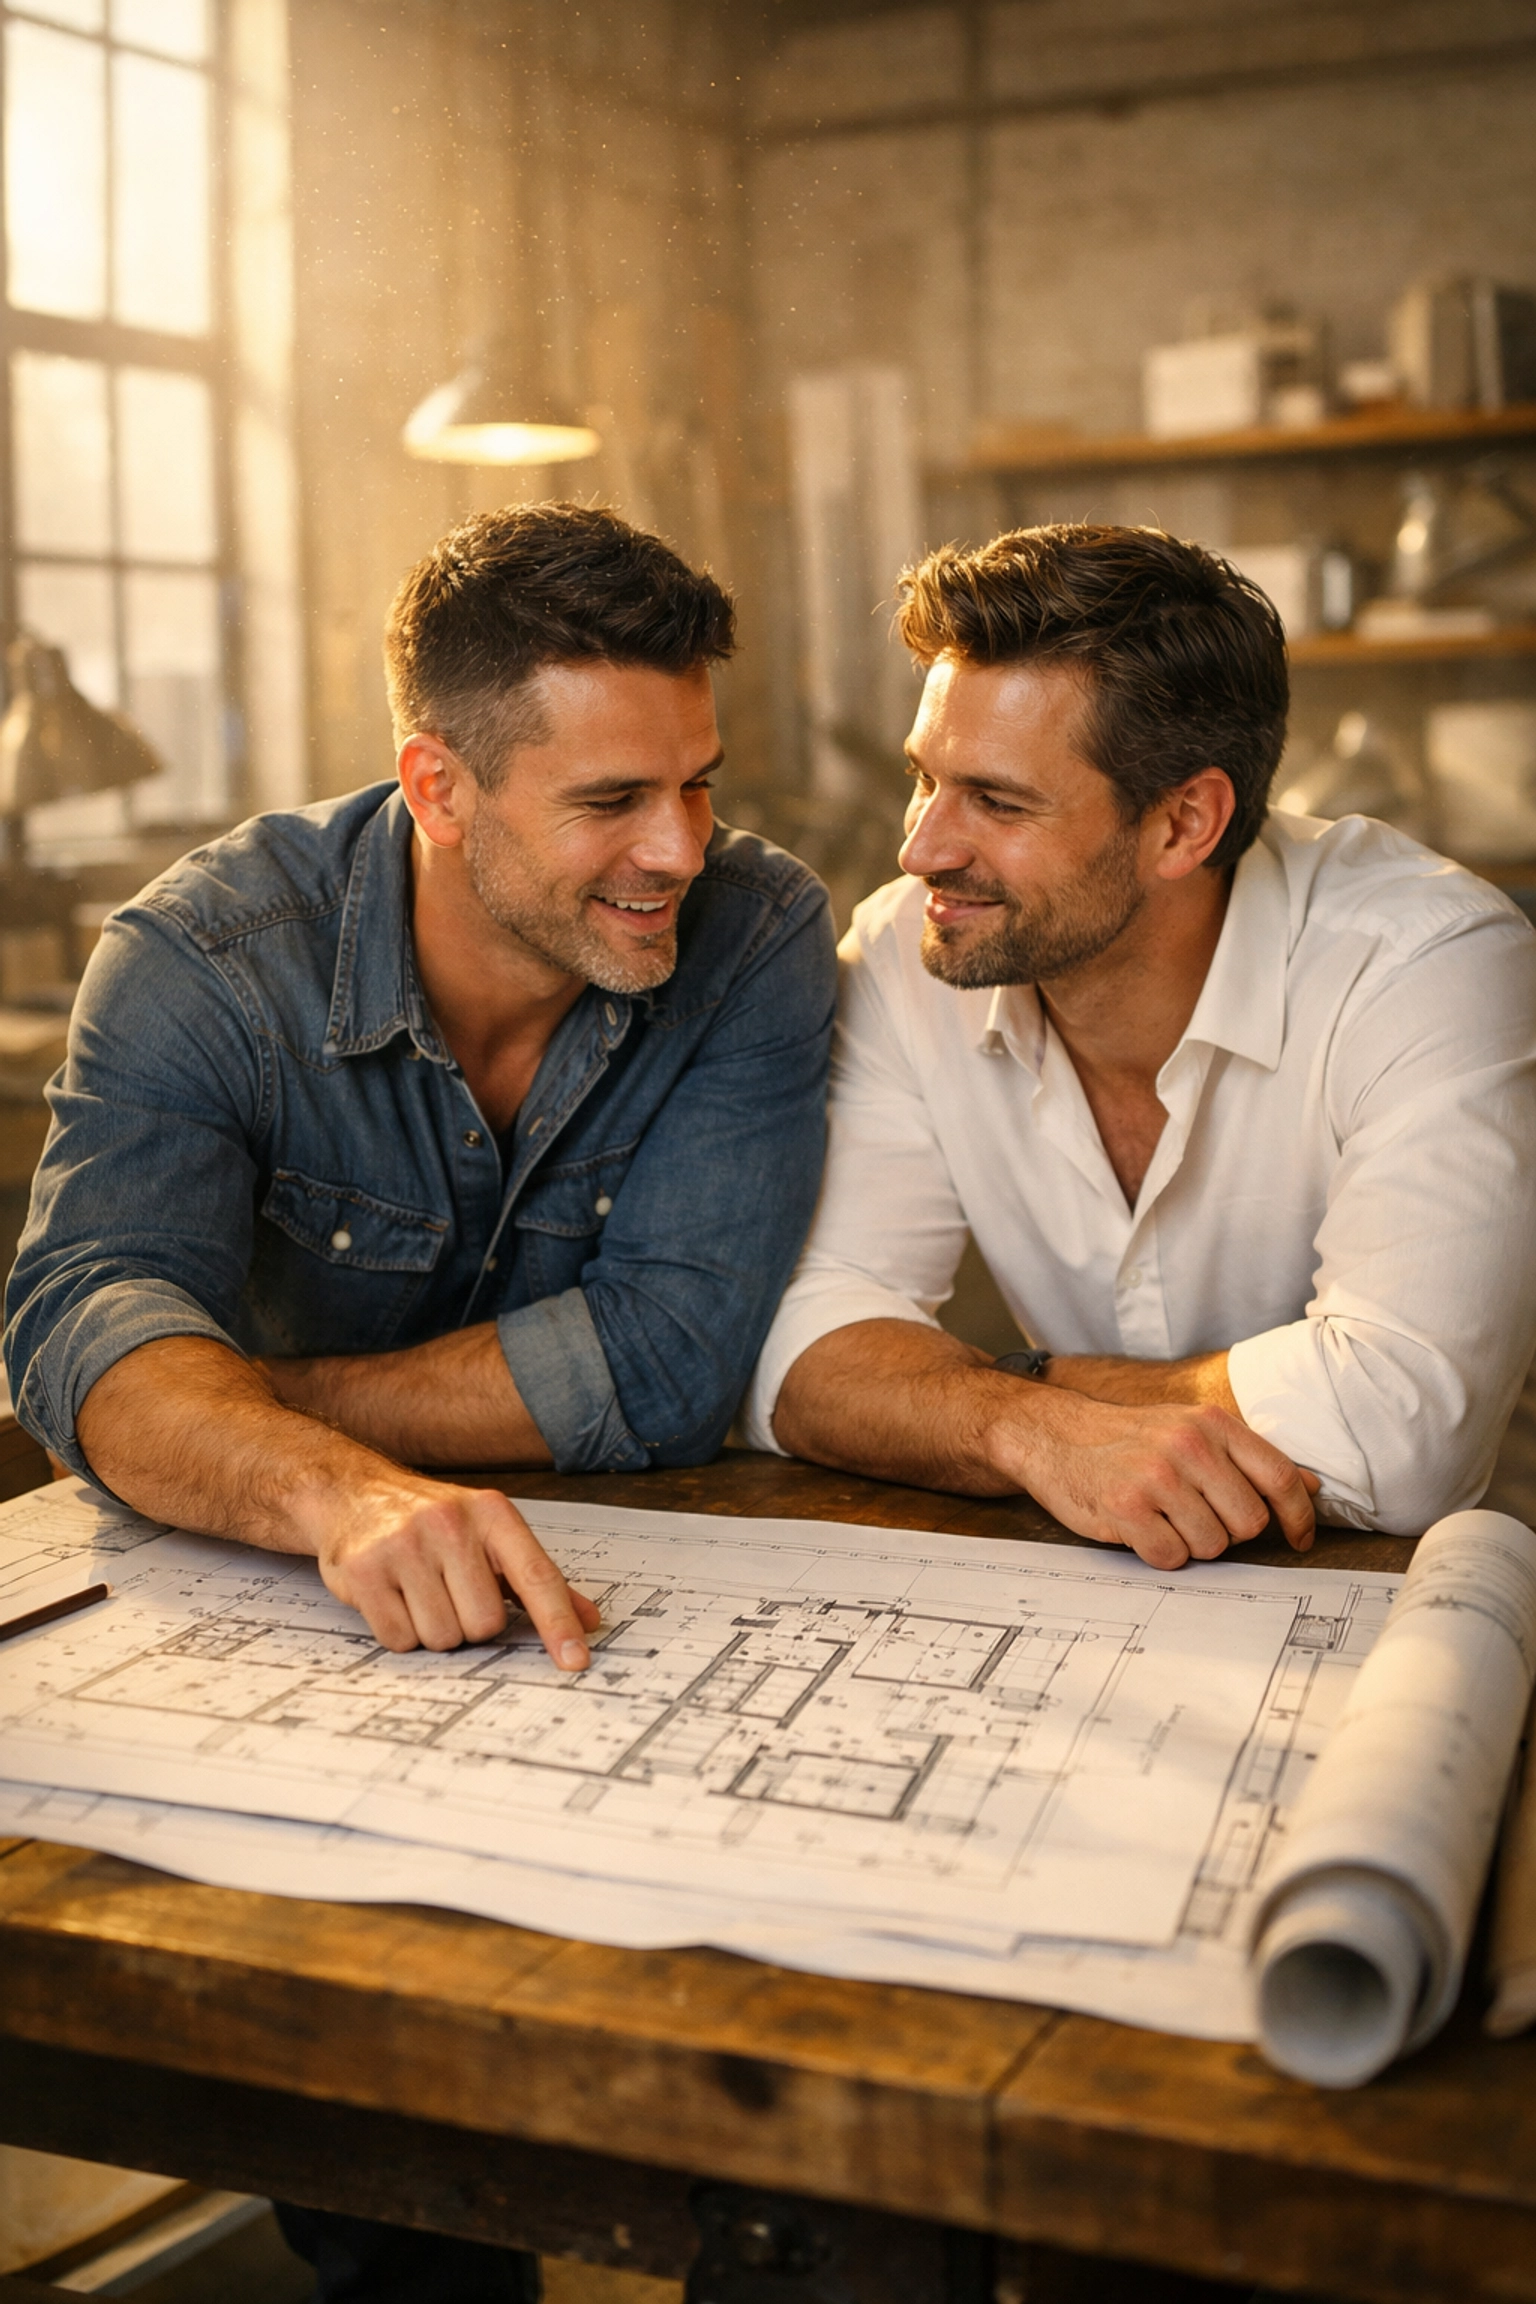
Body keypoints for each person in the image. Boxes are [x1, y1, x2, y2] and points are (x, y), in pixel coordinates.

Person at [4, 502, 836, 2303]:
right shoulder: (206, 956)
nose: (680, 847)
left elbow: (672, 1357)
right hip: (314, 1635)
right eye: (611, 801)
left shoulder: (759, 928)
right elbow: (83, 1325)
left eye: (698, 782)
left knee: (796, 2149)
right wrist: (333, 1491)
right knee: (391, 2194)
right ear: (438, 787)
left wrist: (239, 1410)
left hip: (663, 1635)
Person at [745, 522, 1536, 1566]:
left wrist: (994, 1384)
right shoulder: (907, 950)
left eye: (996, 801)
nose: (919, 847)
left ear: (1183, 824)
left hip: (1414, 1587)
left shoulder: (1427, 962)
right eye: (924, 778)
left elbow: (1403, 1438)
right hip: (1102, 1563)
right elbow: (797, 1355)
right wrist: (1027, 1426)